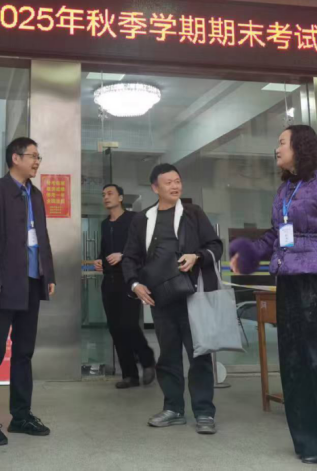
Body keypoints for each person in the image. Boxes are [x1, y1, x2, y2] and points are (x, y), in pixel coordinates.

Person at [231, 126, 317, 471]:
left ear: (300, 146)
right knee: (297, 366)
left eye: (282, 142)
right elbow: (277, 236)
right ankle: (313, 444)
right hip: (290, 283)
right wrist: (250, 254)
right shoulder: (285, 189)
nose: (276, 149)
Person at [122, 164, 223, 435]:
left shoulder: (193, 213)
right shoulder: (142, 219)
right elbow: (130, 257)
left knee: (199, 353)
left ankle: (204, 412)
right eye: (168, 182)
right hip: (161, 298)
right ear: (155, 188)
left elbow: (216, 246)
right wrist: (134, 284)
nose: (175, 186)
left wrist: (196, 256)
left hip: (192, 294)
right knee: (168, 355)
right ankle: (173, 409)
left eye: (177, 181)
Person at [0, 137, 57, 446]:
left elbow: (42, 238)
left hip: (31, 282)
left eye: (38, 156)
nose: (37, 161)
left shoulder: (36, 194)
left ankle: (21, 416)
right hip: (3, 285)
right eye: (32, 156)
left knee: (24, 352)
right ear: (15, 158)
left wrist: (48, 274)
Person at [94, 184, 156, 390]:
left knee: (129, 325)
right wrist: (100, 260)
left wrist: (123, 255)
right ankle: (130, 375)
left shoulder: (134, 219)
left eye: (110, 193)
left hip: (129, 281)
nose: (106, 197)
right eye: (103, 195)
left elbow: (146, 248)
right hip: (109, 282)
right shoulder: (104, 224)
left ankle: (147, 360)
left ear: (120, 197)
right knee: (116, 329)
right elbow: (104, 251)